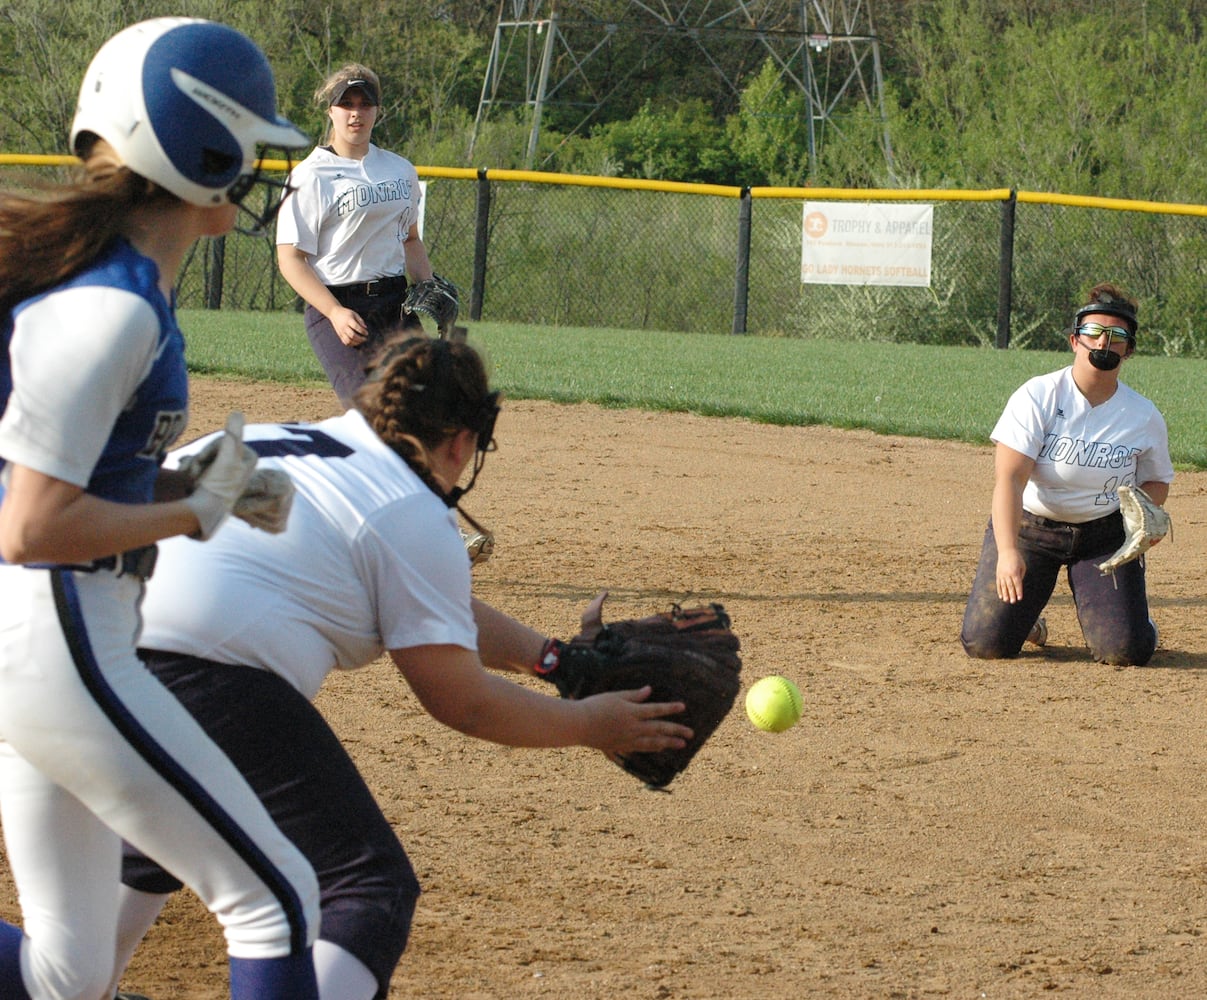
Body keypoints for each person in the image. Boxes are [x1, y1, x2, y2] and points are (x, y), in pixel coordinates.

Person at [104, 335, 693, 1000]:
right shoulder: (409, 510)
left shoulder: (282, 443)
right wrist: (588, 723)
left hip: (86, 649)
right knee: (365, 885)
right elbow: (460, 701)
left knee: (161, 825)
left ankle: (80, 986)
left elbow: (431, 602)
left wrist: (554, 660)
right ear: (462, 441)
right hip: (197, 670)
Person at [0, 18, 325, 999]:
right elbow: (34, 525)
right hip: (56, 630)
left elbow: (87, 487)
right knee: (276, 896)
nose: (260, 168)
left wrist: (205, 491)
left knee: (69, 971)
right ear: (195, 148)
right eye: (250, 145)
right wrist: (191, 513)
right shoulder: (115, 306)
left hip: (54, 630)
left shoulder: (122, 289)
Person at [960, 282, 1174, 666]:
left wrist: (1145, 513)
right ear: (1075, 340)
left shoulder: (1143, 415)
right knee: (985, 643)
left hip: (1103, 537)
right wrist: (1008, 552)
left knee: (1125, 651)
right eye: (1094, 332)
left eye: (1117, 335)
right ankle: (1027, 622)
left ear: (1129, 349)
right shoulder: (1038, 396)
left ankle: (1141, 626)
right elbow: (1009, 480)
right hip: (1032, 529)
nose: (1104, 342)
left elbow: (1157, 481)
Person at [276, 63, 433, 409]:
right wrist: (334, 312)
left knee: (428, 404)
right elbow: (290, 258)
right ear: (330, 110)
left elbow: (410, 240)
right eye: (346, 104)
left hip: (396, 306)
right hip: (341, 308)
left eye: (365, 104)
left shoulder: (399, 169)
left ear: (378, 110)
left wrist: (429, 284)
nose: (355, 113)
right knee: (373, 411)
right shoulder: (310, 176)